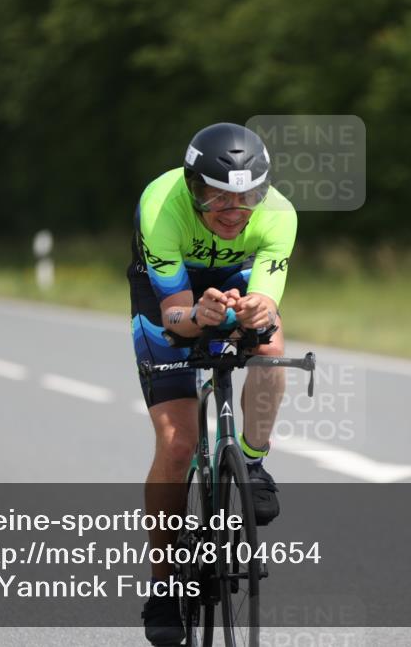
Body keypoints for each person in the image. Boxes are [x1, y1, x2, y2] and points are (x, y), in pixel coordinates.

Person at [129, 123, 296, 645]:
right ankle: (162, 586)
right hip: (171, 292)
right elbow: (174, 315)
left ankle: (253, 459)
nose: (232, 209)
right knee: (177, 445)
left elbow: (267, 304)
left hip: (238, 279)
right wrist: (198, 318)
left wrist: (255, 311)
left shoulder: (280, 215)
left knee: (269, 347)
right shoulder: (161, 205)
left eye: (247, 196)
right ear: (191, 184)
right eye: (215, 195)